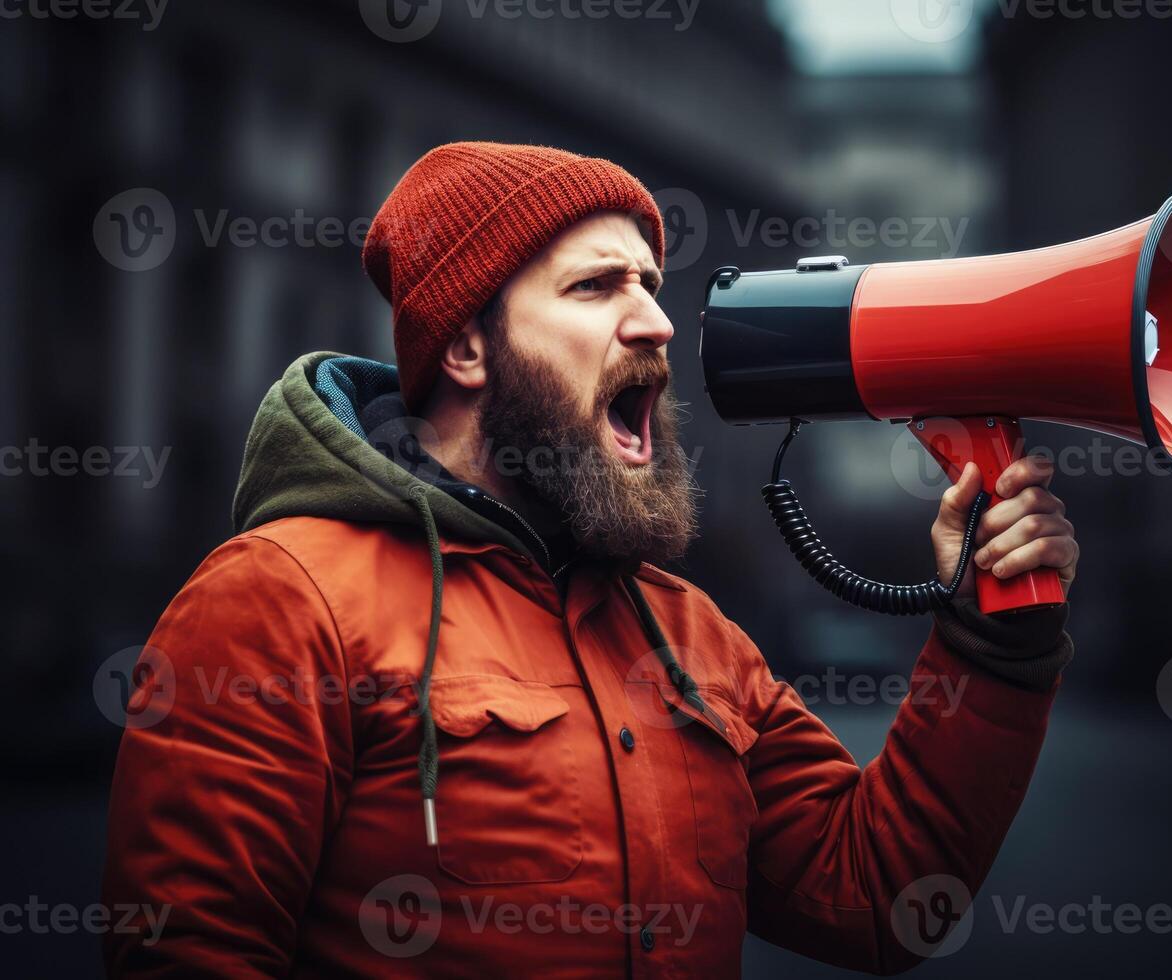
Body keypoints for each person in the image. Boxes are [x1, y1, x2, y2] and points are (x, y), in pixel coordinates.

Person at [102, 142, 1077, 977]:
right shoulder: (278, 597)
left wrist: (993, 635)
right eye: (595, 285)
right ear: (470, 347)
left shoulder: (688, 629)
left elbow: (872, 892)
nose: (654, 320)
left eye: (650, 284)